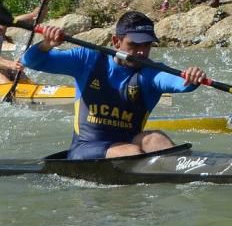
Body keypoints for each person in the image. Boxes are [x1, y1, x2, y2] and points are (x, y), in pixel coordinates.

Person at [20, 11, 206, 159]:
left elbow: (179, 83)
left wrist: (191, 77)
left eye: (147, 46)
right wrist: (46, 45)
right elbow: (30, 61)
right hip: (86, 148)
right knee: (130, 151)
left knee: (156, 139)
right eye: (134, 45)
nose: (141, 52)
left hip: (129, 144)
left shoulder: (150, 72)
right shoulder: (87, 59)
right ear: (116, 41)